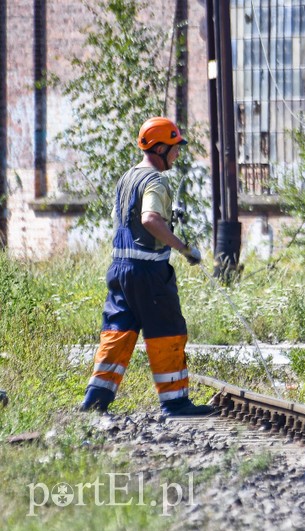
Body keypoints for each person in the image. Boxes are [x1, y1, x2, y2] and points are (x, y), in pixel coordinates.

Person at [80, 117, 214, 416]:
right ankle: (176, 402)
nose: (178, 153)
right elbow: (149, 219)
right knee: (167, 330)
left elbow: (128, 216)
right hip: (149, 272)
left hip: (120, 269)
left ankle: (96, 398)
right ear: (161, 147)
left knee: (119, 330)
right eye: (175, 147)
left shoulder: (128, 177)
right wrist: (183, 248)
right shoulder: (156, 180)